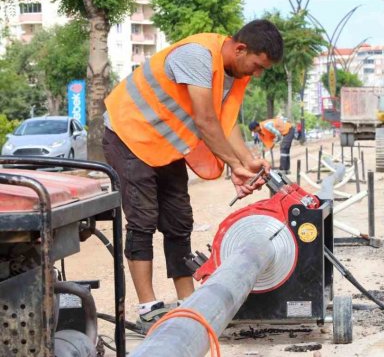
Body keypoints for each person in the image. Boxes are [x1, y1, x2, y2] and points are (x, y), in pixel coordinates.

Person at [102, 19, 283, 330]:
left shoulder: (233, 71)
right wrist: (233, 165)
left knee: (179, 220)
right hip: (128, 134)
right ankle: (148, 308)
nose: (257, 74)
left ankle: (187, 301)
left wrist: (247, 160)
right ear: (240, 49)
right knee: (143, 220)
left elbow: (226, 122)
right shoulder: (197, 56)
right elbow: (205, 120)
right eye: (257, 65)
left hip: (165, 144)